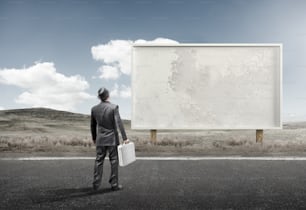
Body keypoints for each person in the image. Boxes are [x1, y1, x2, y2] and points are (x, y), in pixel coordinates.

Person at [90, 87, 129, 191]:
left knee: (99, 160)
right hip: (112, 139)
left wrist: (94, 138)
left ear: (99, 97)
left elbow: (92, 125)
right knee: (114, 161)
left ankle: (96, 183)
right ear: (108, 95)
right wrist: (125, 138)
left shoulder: (94, 109)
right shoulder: (114, 107)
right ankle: (114, 184)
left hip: (100, 139)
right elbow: (119, 123)